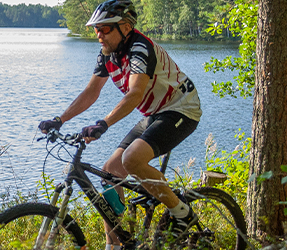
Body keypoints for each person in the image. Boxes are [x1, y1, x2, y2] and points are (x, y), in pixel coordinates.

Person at [37, 0, 202, 248]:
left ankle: (182, 213)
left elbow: (135, 93)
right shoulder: (108, 54)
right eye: (96, 29)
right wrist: (59, 119)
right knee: (111, 172)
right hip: (154, 113)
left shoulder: (139, 49)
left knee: (131, 160)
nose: (99, 34)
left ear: (125, 27)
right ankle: (115, 244)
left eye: (105, 29)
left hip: (181, 109)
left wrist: (104, 123)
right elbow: (91, 91)